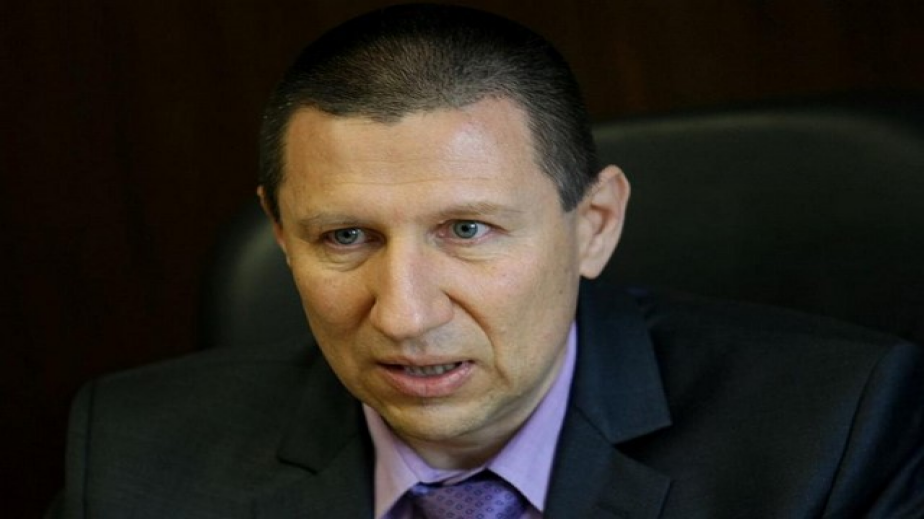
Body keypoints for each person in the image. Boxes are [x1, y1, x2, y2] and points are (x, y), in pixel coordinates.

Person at [50, 4, 923, 518]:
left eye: (467, 229)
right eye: (345, 237)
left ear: (594, 225)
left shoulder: (835, 439)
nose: (405, 314)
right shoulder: (131, 454)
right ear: (281, 235)